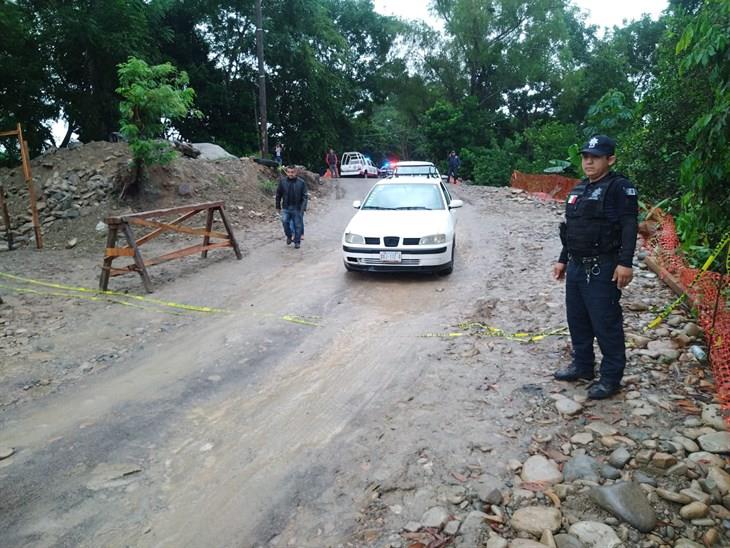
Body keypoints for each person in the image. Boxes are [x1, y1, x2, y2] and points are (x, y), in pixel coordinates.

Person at [552, 135, 639, 399]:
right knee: (577, 320)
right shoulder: (580, 189)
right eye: (585, 156)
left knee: (605, 323)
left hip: (603, 266)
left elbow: (629, 226)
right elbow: (572, 230)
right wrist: (563, 259)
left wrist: (625, 263)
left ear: (610, 159)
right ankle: (583, 366)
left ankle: (611, 378)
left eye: (595, 157)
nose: (588, 161)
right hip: (577, 266)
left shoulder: (619, 188)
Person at [275, 165, 308, 249]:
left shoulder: (301, 183)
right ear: (286, 172)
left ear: (296, 172)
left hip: (297, 208)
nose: (290, 174)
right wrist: (278, 206)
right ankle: (289, 236)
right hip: (286, 207)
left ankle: (297, 242)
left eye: (292, 172)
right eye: (289, 172)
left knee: (297, 225)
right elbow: (278, 194)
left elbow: (305, 197)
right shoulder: (282, 182)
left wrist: (303, 208)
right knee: (285, 222)